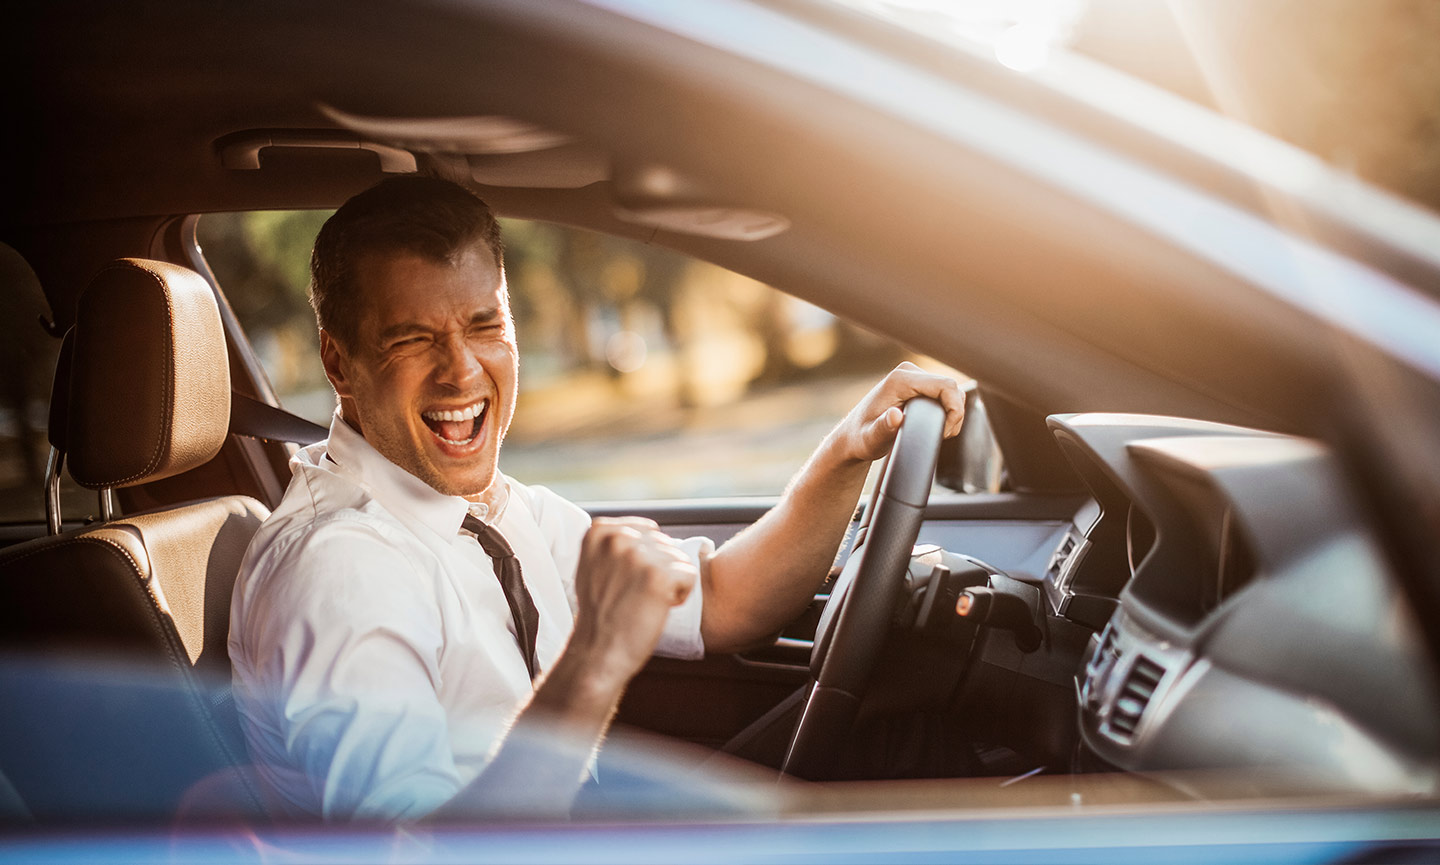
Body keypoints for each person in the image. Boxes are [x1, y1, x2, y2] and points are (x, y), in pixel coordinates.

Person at [228, 176, 965, 822]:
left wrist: (847, 450)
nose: (463, 371)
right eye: (413, 339)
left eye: (486, 325)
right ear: (339, 363)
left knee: (905, 746)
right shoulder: (340, 570)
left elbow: (718, 597)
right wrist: (599, 653)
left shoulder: (492, 508)